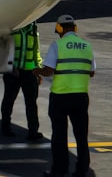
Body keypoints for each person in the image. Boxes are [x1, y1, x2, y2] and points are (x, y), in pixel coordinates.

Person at [40, 14, 95, 177]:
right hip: (80, 97)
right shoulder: (87, 46)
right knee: (81, 135)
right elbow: (91, 72)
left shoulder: (57, 45)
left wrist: (37, 71)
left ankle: (59, 170)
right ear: (75, 28)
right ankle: (82, 169)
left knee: (59, 136)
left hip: (60, 97)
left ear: (59, 28)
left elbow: (48, 70)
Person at [0, 22, 44, 140]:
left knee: (31, 102)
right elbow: (4, 48)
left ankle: (33, 131)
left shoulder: (33, 29)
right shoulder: (12, 27)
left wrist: (38, 69)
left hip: (29, 72)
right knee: (9, 100)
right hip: (13, 70)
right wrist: (10, 66)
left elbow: (36, 51)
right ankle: (5, 127)